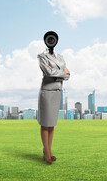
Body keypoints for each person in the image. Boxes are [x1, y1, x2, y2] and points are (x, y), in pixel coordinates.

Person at [37, 31, 70, 165]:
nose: (51, 41)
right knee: (45, 123)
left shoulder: (60, 57)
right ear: (45, 41)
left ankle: (48, 150)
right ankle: (47, 152)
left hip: (57, 91)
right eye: (49, 39)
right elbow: (48, 72)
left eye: (53, 39)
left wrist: (58, 73)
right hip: (47, 92)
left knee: (52, 124)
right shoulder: (41, 56)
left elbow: (68, 75)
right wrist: (62, 73)